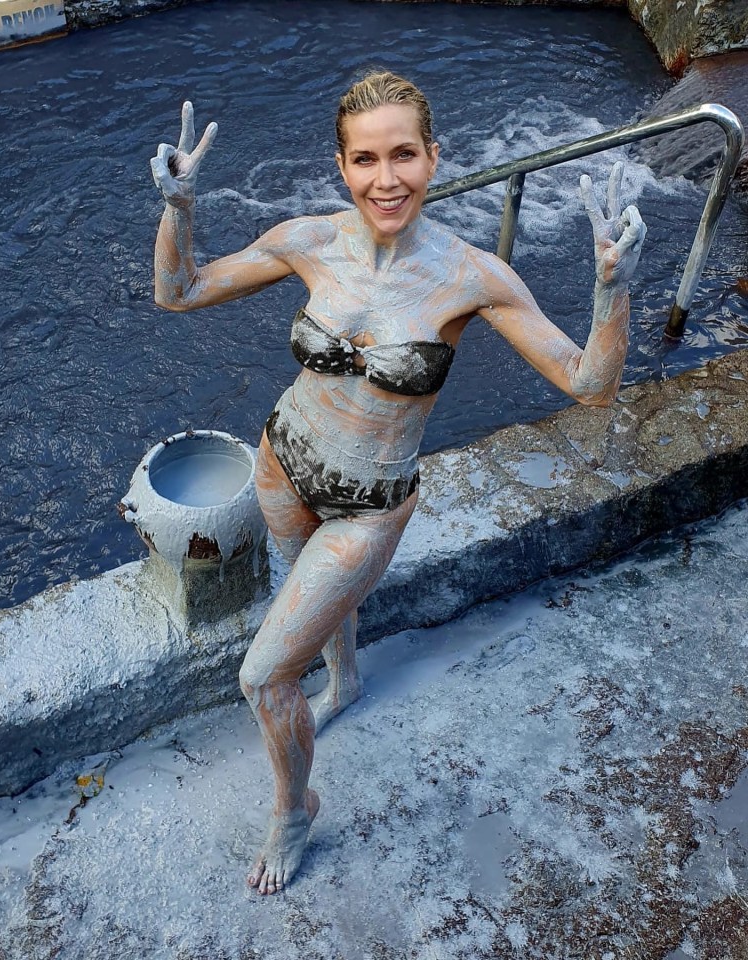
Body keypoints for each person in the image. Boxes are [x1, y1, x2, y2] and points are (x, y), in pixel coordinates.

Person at [151, 71, 646, 895]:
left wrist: (612, 288)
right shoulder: (310, 239)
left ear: (434, 156)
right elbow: (179, 292)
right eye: (367, 159)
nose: (389, 179)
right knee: (309, 614)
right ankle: (345, 679)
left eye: (405, 155)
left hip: (368, 504)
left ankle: (292, 809)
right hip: (282, 463)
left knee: (264, 676)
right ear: (342, 167)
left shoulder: (472, 276)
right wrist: (179, 208)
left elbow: (587, 382)